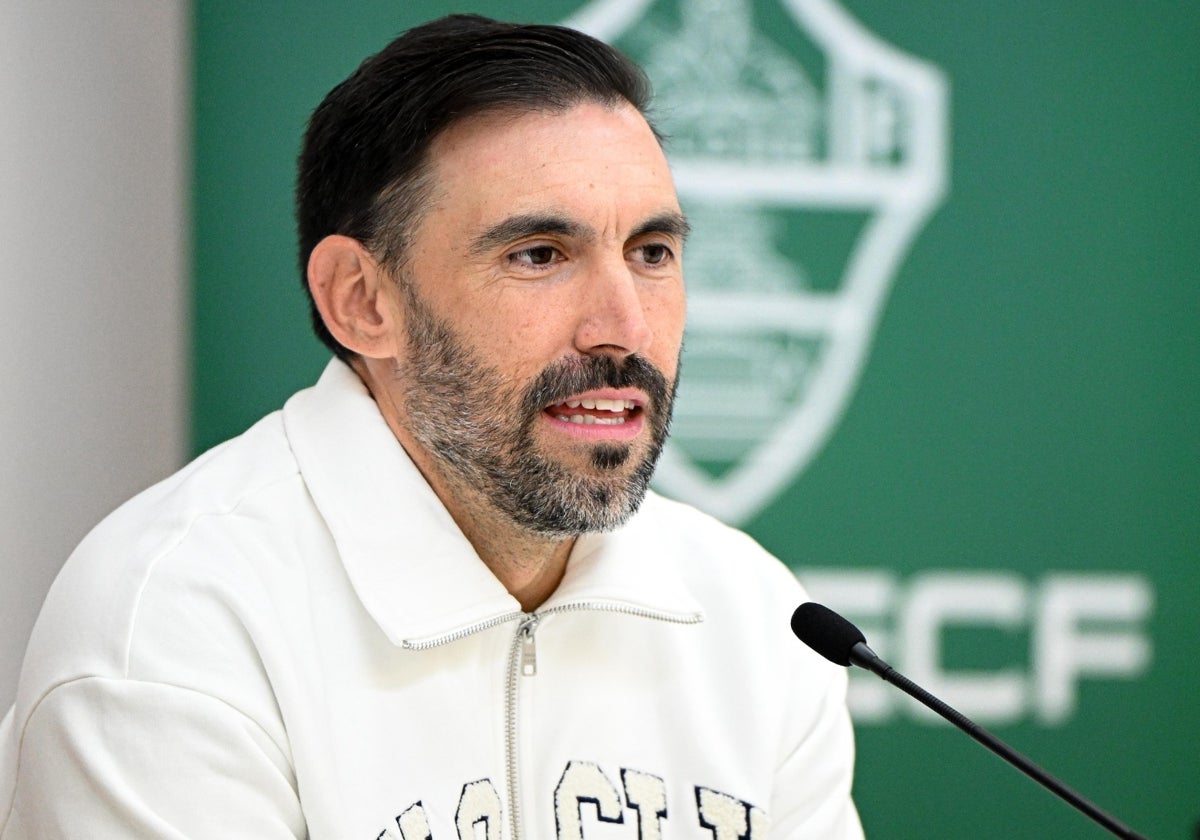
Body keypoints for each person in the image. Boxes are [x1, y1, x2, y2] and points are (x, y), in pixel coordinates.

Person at [0, 14, 862, 839]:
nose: (625, 327)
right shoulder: (174, 626)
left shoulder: (755, 619)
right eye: (540, 255)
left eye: (651, 253)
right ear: (362, 301)